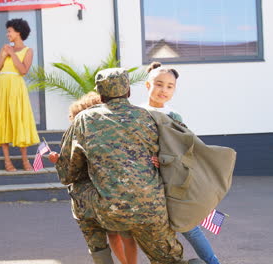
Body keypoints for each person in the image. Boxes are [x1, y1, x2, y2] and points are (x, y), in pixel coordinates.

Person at [54, 68, 202, 264]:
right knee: (171, 260)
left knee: (77, 191)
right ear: (129, 91)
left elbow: (67, 174)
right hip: (152, 208)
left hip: (109, 209)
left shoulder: (84, 120)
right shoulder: (148, 117)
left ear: (101, 94)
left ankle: (101, 257)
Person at [141, 62, 221, 264]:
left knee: (189, 227)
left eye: (170, 86)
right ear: (147, 85)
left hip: (171, 178)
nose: (164, 90)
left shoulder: (174, 116)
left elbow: (183, 147)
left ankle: (213, 262)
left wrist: (164, 160)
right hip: (144, 181)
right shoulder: (137, 114)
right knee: (152, 232)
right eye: (159, 84)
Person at [51, 91, 138, 264]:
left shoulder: (89, 137)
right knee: (121, 234)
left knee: (113, 238)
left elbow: (68, 174)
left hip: (96, 199)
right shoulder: (104, 134)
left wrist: (59, 163)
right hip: (114, 196)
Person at [0, 18, 39, 172]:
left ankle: (25, 161)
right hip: (2, 86)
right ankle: (7, 162)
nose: (7, 34)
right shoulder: (5, 49)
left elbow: (23, 70)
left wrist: (12, 53)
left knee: (19, 120)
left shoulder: (28, 50)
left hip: (16, 87)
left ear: (18, 32)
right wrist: (4, 55)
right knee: (3, 120)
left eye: (10, 31)